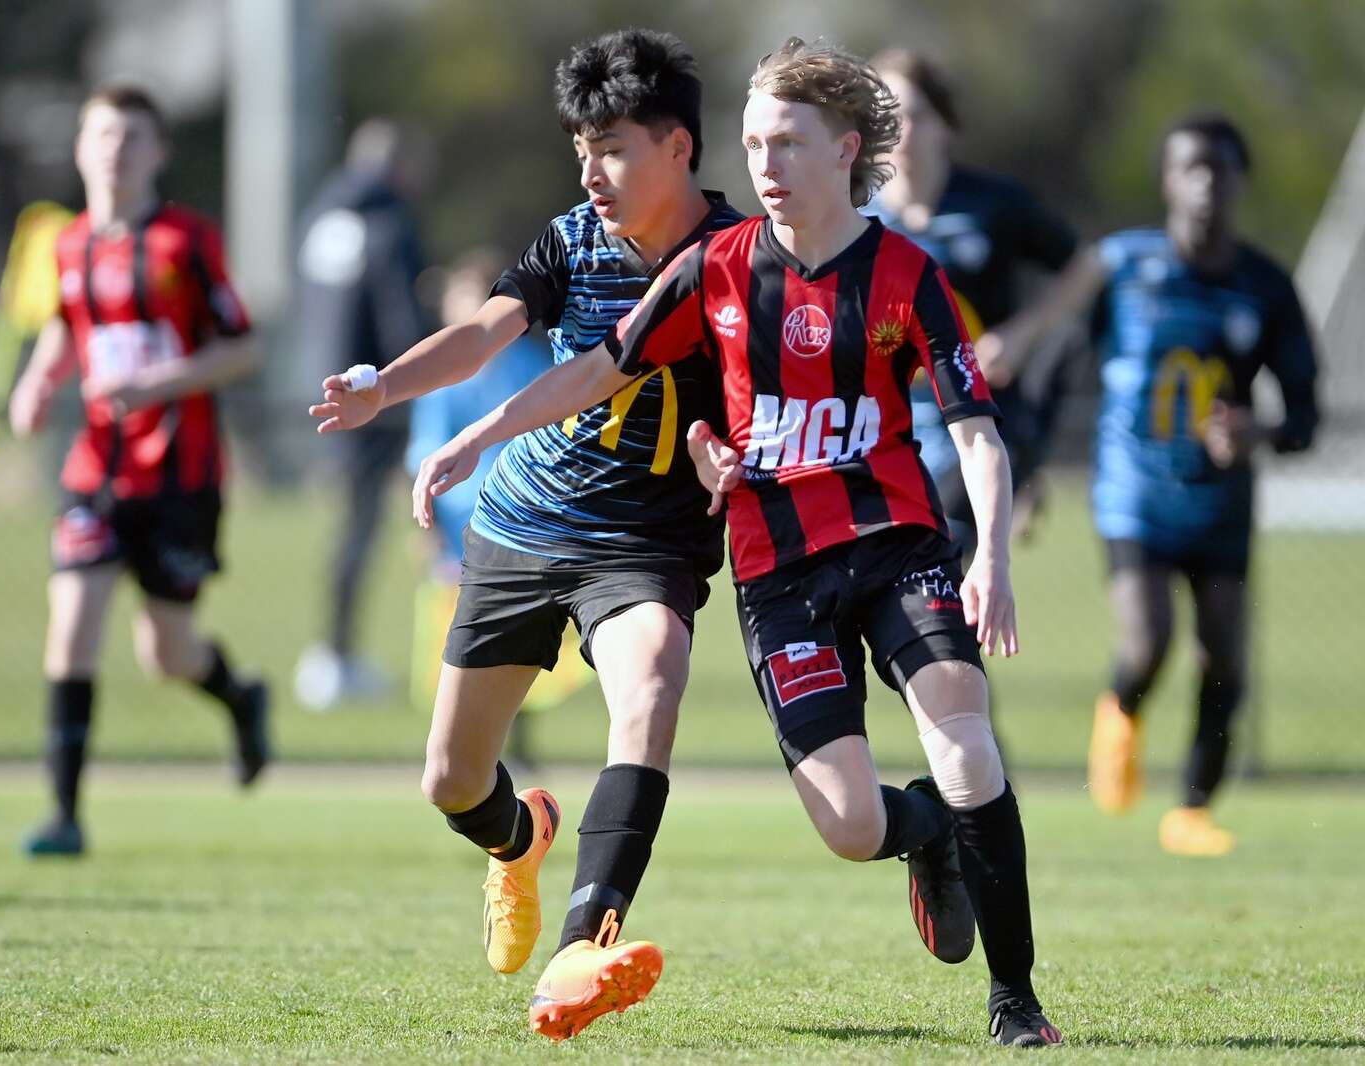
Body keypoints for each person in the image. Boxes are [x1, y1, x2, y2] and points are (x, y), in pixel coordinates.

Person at [416, 38, 1062, 1048]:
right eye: (756, 141)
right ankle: (924, 831)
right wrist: (475, 433)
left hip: (897, 545)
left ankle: (1015, 1001)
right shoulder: (713, 269)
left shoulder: (905, 273)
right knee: (850, 825)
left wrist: (989, 558)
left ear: (844, 149)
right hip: (781, 573)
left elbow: (975, 427)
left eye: (789, 142)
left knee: (965, 741)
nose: (766, 163)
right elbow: (599, 370)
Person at [310, 29, 745, 1040]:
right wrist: (383, 384)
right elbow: (479, 335)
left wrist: (726, 448)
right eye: (581, 147)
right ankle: (522, 836)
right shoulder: (569, 239)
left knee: (651, 683)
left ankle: (585, 943)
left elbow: (751, 383)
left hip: (643, 540)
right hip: (523, 522)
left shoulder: (734, 257)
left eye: (614, 147)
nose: (591, 170)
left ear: (678, 146)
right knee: (451, 780)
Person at [975, 112, 1321, 856]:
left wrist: (1255, 431)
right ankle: (1118, 711)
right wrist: (1026, 466)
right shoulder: (1121, 265)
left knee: (1225, 656)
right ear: (1166, 180)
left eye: (1219, 169)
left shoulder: (1265, 287)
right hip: (1132, 489)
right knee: (1150, 637)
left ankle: (1192, 808)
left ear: (1238, 182)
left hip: (1220, 501)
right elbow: (1059, 356)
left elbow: (1306, 416)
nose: (1205, 185)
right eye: (1189, 168)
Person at [8, 85, 270, 857]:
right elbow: (68, 325)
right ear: (81, 147)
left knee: (168, 655)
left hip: (180, 477)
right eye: (101, 134)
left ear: (158, 151)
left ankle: (239, 696)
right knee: (72, 632)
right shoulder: (66, 245)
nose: (114, 149)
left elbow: (243, 347)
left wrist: (154, 385)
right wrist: (36, 379)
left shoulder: (185, 241)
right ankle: (64, 815)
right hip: (94, 472)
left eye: (132, 136)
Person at [866, 49, 1078, 553]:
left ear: (947, 127)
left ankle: (1020, 477)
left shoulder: (993, 205)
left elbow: (1084, 264)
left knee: (939, 564)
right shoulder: (853, 219)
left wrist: (1021, 335)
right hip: (888, 431)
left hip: (978, 421)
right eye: (888, 118)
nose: (904, 131)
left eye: (916, 115)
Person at [402, 250, 578, 765]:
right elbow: (424, 456)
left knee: (524, 640)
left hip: (524, 521)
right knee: (461, 643)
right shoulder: (439, 381)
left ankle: (514, 744)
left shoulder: (532, 367)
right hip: (461, 531)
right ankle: (464, 753)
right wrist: (428, 529)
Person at [291, 119, 436, 710]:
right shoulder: (387, 225)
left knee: (351, 530)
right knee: (400, 528)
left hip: (319, 390)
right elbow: (402, 320)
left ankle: (334, 654)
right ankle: (339, 657)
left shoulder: (321, 219)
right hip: (378, 399)